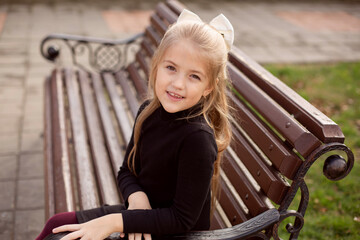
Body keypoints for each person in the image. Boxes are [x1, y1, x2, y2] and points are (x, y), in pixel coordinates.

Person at [36, 9, 234, 240]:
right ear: (157, 66)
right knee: (56, 225)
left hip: (174, 233)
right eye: (171, 68)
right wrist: (136, 196)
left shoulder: (197, 139)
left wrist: (114, 222)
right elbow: (127, 171)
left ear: (209, 86)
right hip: (139, 213)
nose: (178, 83)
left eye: (194, 76)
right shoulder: (149, 112)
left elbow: (182, 219)